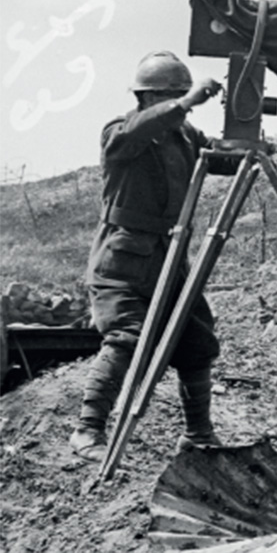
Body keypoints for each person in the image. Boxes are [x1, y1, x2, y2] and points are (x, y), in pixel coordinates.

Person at [69, 51, 225, 461]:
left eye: (180, 94)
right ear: (144, 97)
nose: (177, 103)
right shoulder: (120, 133)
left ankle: (198, 433)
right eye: (168, 96)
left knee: (196, 340)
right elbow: (141, 130)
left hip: (169, 260)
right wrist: (186, 102)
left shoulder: (184, 135)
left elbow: (216, 157)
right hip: (122, 261)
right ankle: (87, 430)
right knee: (126, 339)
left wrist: (252, 147)